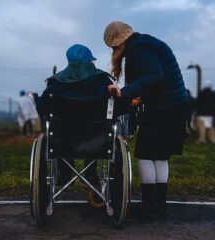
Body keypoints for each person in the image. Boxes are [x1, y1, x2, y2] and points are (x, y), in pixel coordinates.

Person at [104, 21, 187, 220]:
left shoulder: (139, 49)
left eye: (113, 47)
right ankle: (159, 207)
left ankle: (149, 207)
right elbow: (151, 80)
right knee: (159, 156)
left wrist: (123, 93)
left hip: (163, 108)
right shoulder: (145, 43)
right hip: (173, 107)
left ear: (119, 42)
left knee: (145, 154)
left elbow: (154, 75)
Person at [37, 44, 126, 186]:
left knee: (60, 131)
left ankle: (65, 175)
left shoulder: (55, 82)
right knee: (95, 130)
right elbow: (119, 108)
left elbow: (41, 108)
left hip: (63, 139)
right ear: (89, 61)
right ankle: (90, 176)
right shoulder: (103, 81)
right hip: (96, 139)